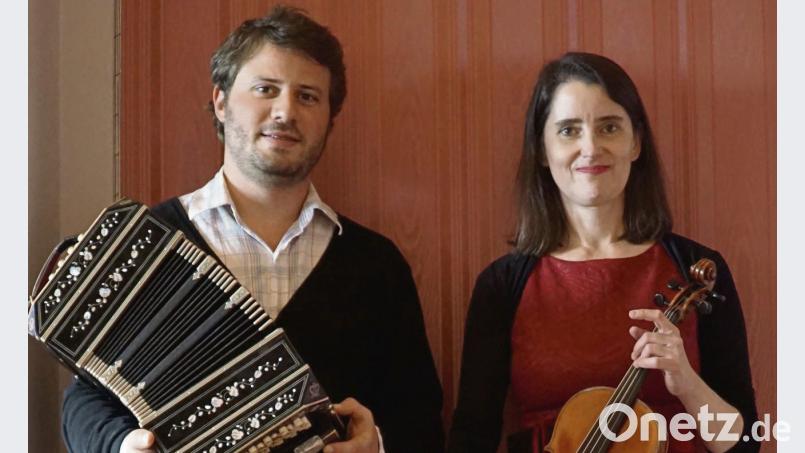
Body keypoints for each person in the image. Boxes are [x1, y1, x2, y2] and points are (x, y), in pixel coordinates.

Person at [61, 6, 444, 453]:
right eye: (266, 89)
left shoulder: (376, 264)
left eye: (307, 96)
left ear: (329, 120)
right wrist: (121, 444)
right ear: (221, 102)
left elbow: (420, 418)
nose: (285, 111)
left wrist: (376, 444)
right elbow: (84, 399)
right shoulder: (147, 243)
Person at [446, 52, 758, 453]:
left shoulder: (695, 270)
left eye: (609, 127)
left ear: (636, 143)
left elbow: (746, 444)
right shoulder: (504, 285)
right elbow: (472, 437)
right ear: (542, 150)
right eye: (568, 130)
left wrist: (688, 384)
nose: (590, 148)